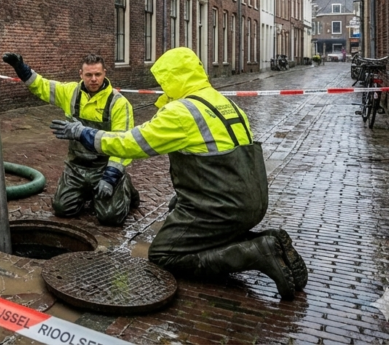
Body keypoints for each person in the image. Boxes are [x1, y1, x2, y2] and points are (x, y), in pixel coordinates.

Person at [49, 47, 307, 300]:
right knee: (198, 239)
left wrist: (84, 133)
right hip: (253, 201)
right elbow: (215, 157)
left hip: (220, 207)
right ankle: (271, 241)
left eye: (163, 81)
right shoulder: (224, 102)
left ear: (172, 78)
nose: (161, 86)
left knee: (164, 254)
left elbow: (131, 143)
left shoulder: (182, 112)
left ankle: (257, 252)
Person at [2, 52, 139, 226]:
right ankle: (87, 191)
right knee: (62, 208)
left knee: (110, 218)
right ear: (81, 75)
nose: (94, 79)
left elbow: (124, 144)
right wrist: (21, 69)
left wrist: (111, 177)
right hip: (76, 166)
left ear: (105, 73)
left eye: (98, 74)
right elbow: (42, 86)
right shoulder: (71, 92)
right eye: (89, 75)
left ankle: (124, 184)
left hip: (103, 166)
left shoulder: (118, 103)